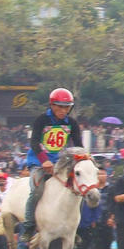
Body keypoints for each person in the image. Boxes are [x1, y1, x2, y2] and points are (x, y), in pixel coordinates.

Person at [22, 87, 82, 236]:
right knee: (37, 190)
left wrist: (82, 158)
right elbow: (34, 142)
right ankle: (29, 225)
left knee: (78, 189)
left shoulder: (72, 123)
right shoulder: (42, 120)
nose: (63, 110)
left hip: (60, 163)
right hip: (38, 161)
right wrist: (44, 161)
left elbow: (78, 145)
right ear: (52, 105)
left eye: (67, 107)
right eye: (60, 107)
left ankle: (74, 226)